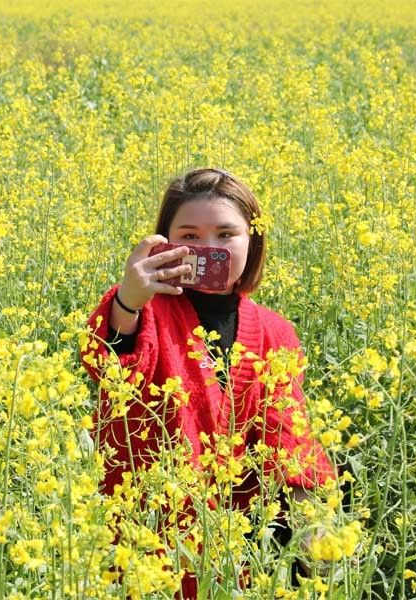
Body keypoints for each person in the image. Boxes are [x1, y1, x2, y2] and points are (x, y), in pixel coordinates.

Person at [80, 167, 334, 594]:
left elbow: (289, 438)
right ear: (165, 242)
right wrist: (128, 298)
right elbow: (107, 364)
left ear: (252, 241)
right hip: (143, 539)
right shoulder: (146, 308)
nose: (208, 249)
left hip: (232, 552)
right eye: (190, 236)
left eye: (225, 234)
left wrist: (317, 526)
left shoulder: (275, 333)